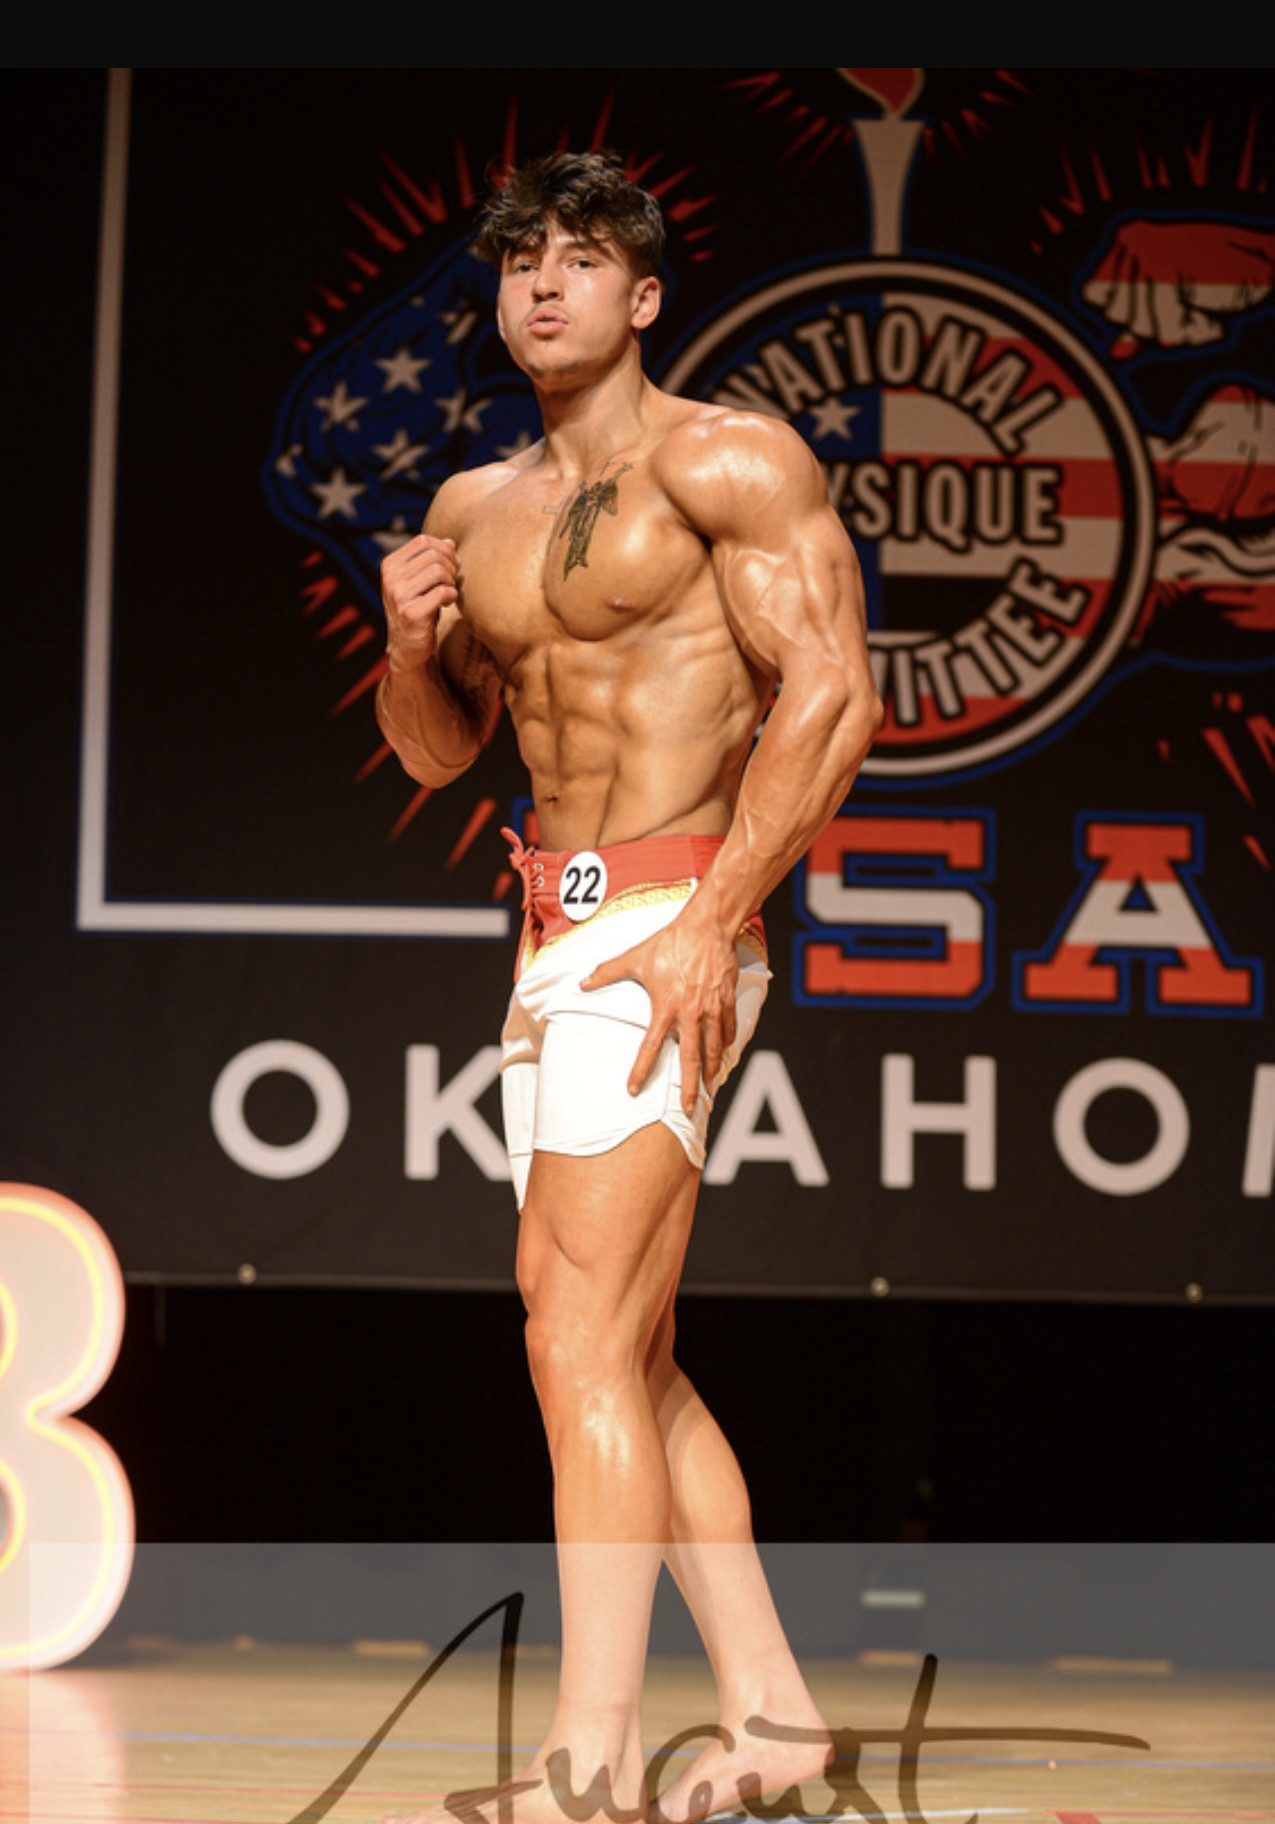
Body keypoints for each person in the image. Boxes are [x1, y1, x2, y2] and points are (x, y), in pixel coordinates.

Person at [376, 151, 883, 1824]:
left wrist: (716, 914)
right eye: (520, 258)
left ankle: (587, 1765)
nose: (542, 283)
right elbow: (440, 754)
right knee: (624, 1349)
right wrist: (407, 645)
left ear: (643, 295)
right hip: (553, 935)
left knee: (575, 1330)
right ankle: (776, 1720)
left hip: (671, 919)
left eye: (581, 258)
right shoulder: (475, 510)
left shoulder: (726, 459)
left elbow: (834, 695)